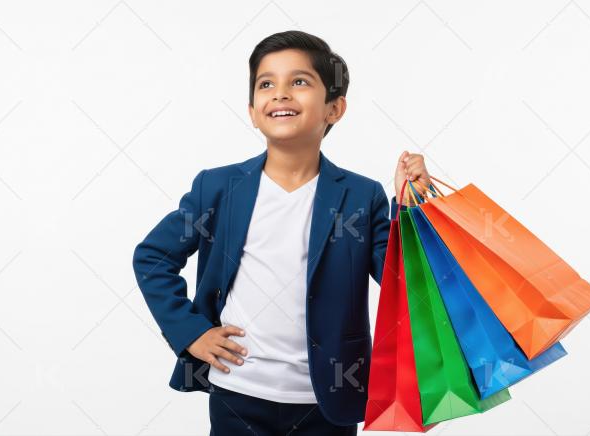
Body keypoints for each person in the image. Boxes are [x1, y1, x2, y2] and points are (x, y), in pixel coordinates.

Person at [132, 30, 431, 435]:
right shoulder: (218, 188)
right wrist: (191, 332)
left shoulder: (362, 196)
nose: (281, 93)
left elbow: (403, 280)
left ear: (334, 109)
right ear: (253, 111)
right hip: (237, 394)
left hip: (327, 402)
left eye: (300, 82)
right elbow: (153, 257)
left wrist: (409, 206)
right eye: (266, 83)